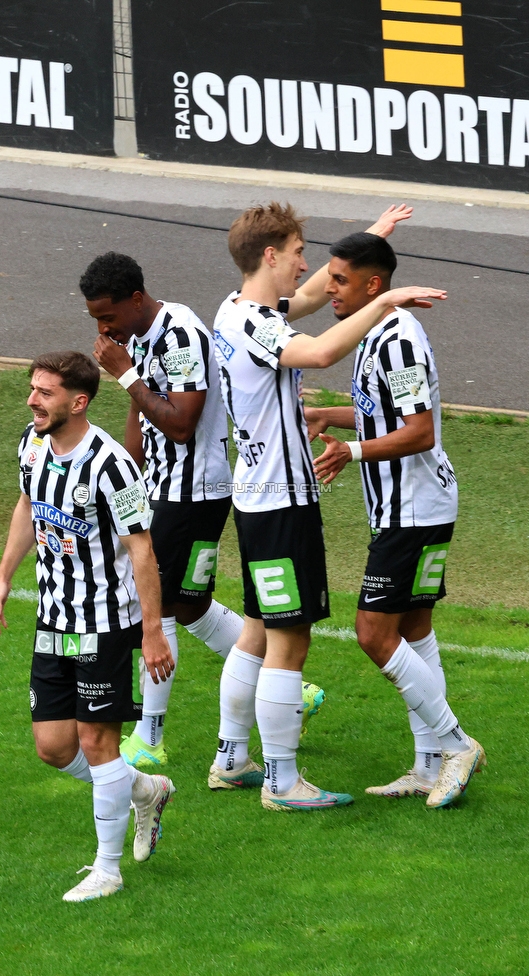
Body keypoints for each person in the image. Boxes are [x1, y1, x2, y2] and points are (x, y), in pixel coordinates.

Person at [209, 201, 446, 811]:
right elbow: (317, 352)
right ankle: (283, 782)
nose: (306, 266)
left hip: (254, 496)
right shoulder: (260, 324)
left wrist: (373, 237)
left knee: (258, 633)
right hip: (280, 502)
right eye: (296, 253)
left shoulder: (234, 311)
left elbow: (314, 297)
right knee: (289, 643)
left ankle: (232, 756)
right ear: (270, 255)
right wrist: (383, 301)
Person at [81, 252, 325, 781]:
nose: (102, 328)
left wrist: (124, 375)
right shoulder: (139, 339)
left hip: (192, 492)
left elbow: (182, 425)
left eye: (107, 316)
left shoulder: (181, 334)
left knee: (160, 603)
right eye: (95, 319)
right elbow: (139, 417)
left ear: (136, 300)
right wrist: (127, 482)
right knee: (189, 605)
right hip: (161, 490)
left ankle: (149, 737)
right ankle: (293, 689)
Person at [0, 351, 175, 902]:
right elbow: (28, 506)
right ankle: (144, 789)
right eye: (32, 389)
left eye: (44, 393)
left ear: (78, 401)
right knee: (53, 745)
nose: (32, 400)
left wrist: (152, 630)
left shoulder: (113, 465)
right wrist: (2, 579)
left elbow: (142, 548)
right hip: (54, 618)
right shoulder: (31, 442)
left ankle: (107, 870)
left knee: (97, 742)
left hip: (106, 623)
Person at [306, 232, 486, 808]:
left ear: (373, 284)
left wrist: (349, 451)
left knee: (373, 633)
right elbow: (378, 412)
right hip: (412, 506)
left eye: (339, 279)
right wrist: (323, 414)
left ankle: (458, 745)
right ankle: (427, 764)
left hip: (416, 511)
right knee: (414, 631)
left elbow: (419, 431)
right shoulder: (374, 334)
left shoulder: (399, 339)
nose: (329, 288)